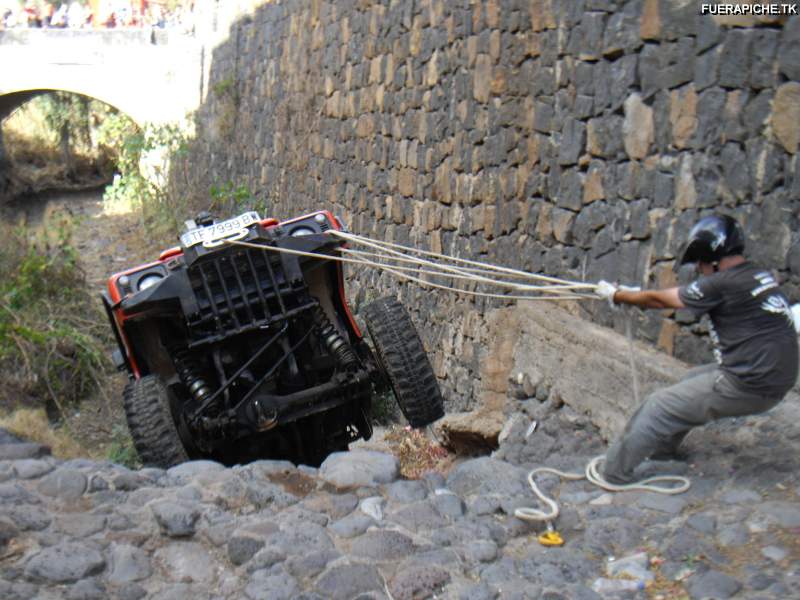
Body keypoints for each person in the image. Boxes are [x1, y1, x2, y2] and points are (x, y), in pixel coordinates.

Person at [595, 214, 798, 484]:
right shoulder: (758, 274)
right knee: (690, 382)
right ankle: (663, 449)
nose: (700, 270)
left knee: (658, 406)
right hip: (773, 380)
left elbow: (658, 300)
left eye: (700, 264)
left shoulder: (721, 283)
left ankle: (612, 473)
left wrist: (617, 295)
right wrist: (629, 294)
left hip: (749, 384)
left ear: (711, 260)